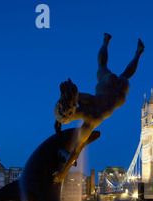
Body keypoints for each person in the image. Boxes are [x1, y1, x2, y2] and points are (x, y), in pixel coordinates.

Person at [53, 33, 144, 182]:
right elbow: (69, 98)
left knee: (125, 75)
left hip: (117, 96)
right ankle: (108, 43)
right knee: (103, 66)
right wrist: (57, 123)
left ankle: (138, 52)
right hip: (107, 87)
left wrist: (62, 173)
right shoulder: (83, 99)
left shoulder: (92, 120)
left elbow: (76, 150)